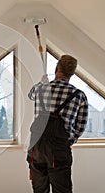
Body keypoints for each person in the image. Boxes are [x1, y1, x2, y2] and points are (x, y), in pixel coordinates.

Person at [27, 55, 88, 193]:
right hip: (59, 149)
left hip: (37, 148)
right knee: (62, 190)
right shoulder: (78, 95)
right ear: (72, 74)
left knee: (39, 190)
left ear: (56, 69)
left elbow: (30, 95)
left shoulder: (40, 89)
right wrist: (67, 141)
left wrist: (43, 83)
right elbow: (80, 126)